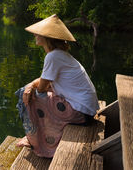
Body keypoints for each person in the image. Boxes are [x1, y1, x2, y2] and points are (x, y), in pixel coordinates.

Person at [15, 14, 99, 158]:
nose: (35, 34)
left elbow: (41, 88)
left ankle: (34, 140)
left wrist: (30, 87)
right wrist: (32, 85)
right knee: (31, 92)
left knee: (30, 96)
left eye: (38, 33)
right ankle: (36, 137)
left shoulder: (53, 56)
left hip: (80, 113)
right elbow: (44, 81)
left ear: (47, 37)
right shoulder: (60, 55)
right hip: (86, 112)